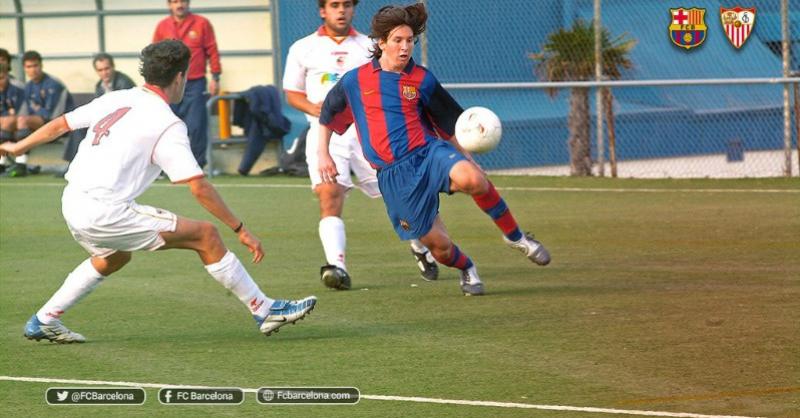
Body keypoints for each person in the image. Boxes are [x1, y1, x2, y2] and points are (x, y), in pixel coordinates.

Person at [0, 40, 316, 344]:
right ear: (180, 78)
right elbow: (198, 186)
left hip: (72, 201)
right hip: (105, 210)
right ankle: (265, 310)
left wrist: (18, 145)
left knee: (113, 257)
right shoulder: (167, 123)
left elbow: (60, 125)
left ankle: (44, 319)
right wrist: (241, 229)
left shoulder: (116, 97)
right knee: (206, 235)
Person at [318, 4, 551, 296]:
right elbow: (327, 114)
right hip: (394, 176)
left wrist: (468, 159)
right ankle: (467, 268)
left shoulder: (422, 79)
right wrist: (322, 153)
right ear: (381, 43)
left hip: (428, 153)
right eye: (398, 41)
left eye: (409, 41)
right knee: (440, 249)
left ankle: (516, 238)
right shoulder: (356, 80)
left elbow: (451, 124)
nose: (405, 48)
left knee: (474, 180)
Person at [283, 0, 439, 290]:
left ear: (353, 10)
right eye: (334, 5)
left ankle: (420, 246)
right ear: (322, 10)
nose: (341, 10)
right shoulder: (302, 48)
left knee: (401, 197)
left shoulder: (368, 46)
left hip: (372, 132)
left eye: (346, 5)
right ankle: (337, 267)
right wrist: (319, 110)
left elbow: (393, 76)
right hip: (327, 134)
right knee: (329, 194)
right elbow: (292, 93)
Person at [153, 0, 221, 168]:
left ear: (188, 3)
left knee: (197, 125)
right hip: (168, 84)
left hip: (195, 83)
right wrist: (155, 82)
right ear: (169, 5)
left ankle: (197, 166)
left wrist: (216, 77)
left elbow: (212, 50)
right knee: (166, 125)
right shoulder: (162, 26)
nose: (179, 5)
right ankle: (166, 166)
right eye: (175, 2)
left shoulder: (201, 23)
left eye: (182, 1)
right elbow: (153, 55)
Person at [11, 50, 68, 177]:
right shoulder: (28, 86)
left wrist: (32, 113)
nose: (33, 70)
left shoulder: (54, 84)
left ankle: (21, 164)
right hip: (41, 123)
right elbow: (25, 112)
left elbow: (53, 115)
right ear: (24, 68)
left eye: (35, 65)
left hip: (63, 124)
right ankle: (9, 163)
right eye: (29, 67)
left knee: (22, 121)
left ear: (41, 65)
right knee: (13, 124)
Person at [0, 63, 25, 174]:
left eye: (1, 78)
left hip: (21, 122)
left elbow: (22, 112)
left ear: (7, 75)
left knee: (9, 122)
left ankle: (21, 163)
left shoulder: (18, 89)